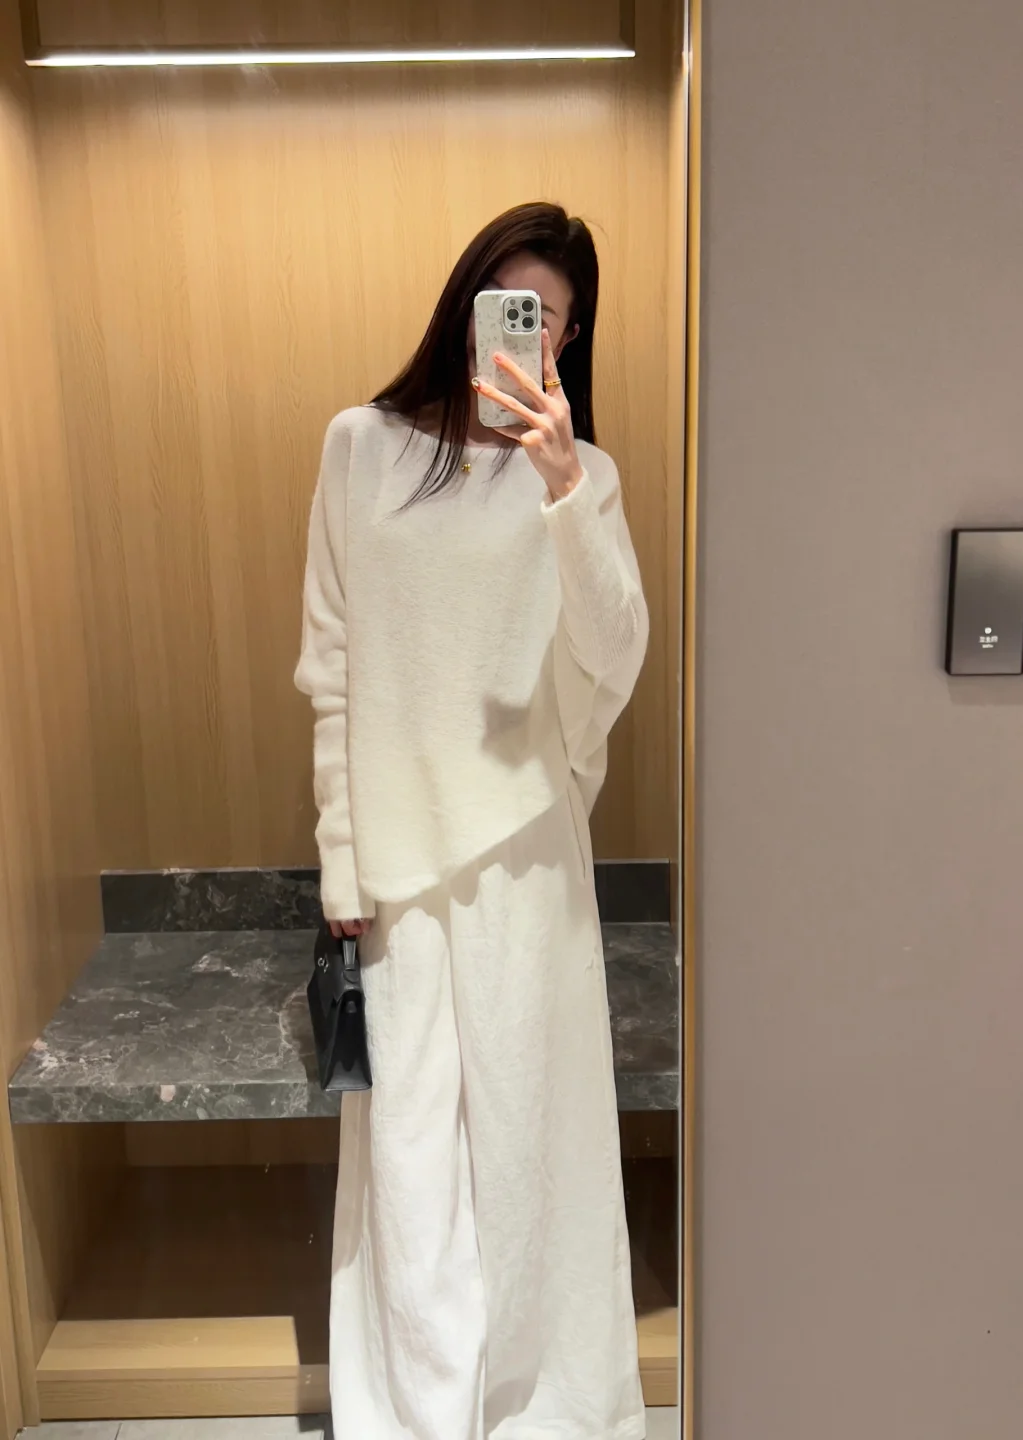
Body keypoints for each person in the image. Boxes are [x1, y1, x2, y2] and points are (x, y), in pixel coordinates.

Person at [295, 201, 649, 1440]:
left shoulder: (584, 474)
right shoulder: (360, 446)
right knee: (411, 1160)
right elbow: (333, 667)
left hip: (530, 854)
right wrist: (342, 860)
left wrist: (563, 488)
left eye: (547, 315)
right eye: (508, 299)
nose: (524, 327)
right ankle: (420, 1410)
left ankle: (547, 1404)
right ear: (465, 301)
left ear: (569, 337)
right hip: (399, 865)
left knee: (535, 1136)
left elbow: (614, 656)